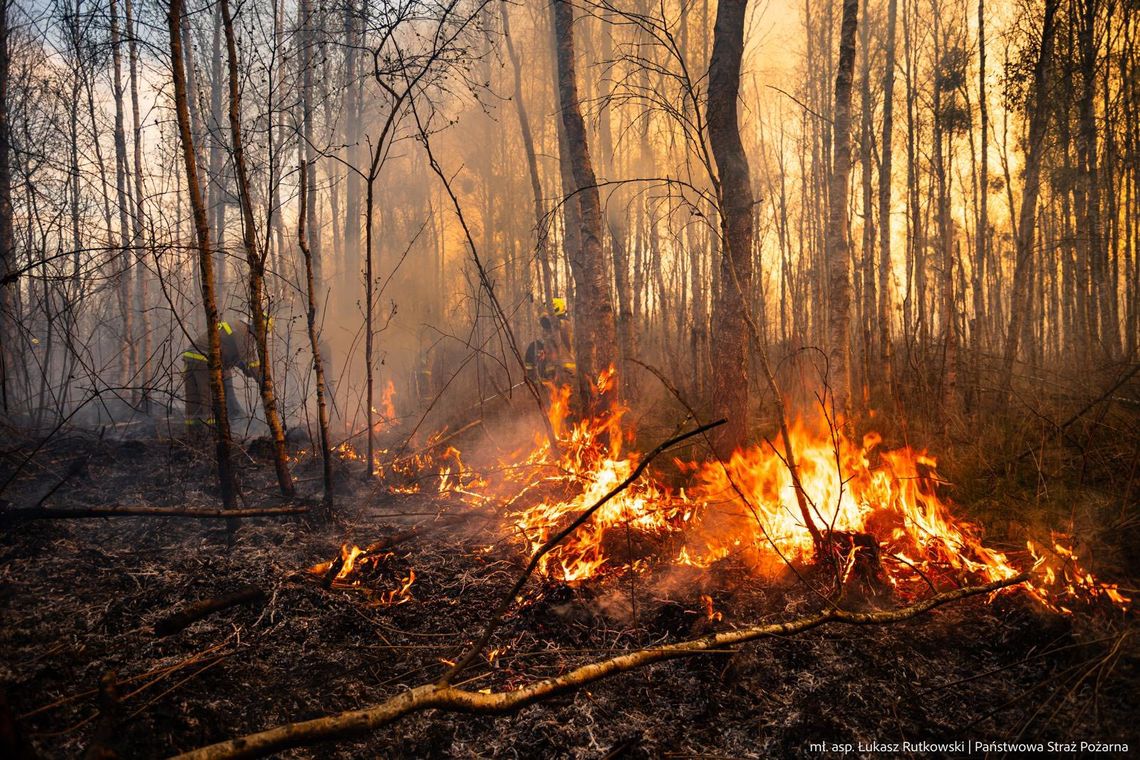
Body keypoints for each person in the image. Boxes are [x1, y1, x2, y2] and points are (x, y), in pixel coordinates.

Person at [182, 318, 263, 436]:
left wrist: (250, 372)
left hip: (190, 357)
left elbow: (239, 360)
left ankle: (193, 437)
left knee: (193, 402)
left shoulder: (236, 328)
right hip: (205, 360)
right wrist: (262, 380)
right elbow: (249, 359)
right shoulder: (243, 331)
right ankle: (213, 436)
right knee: (210, 400)